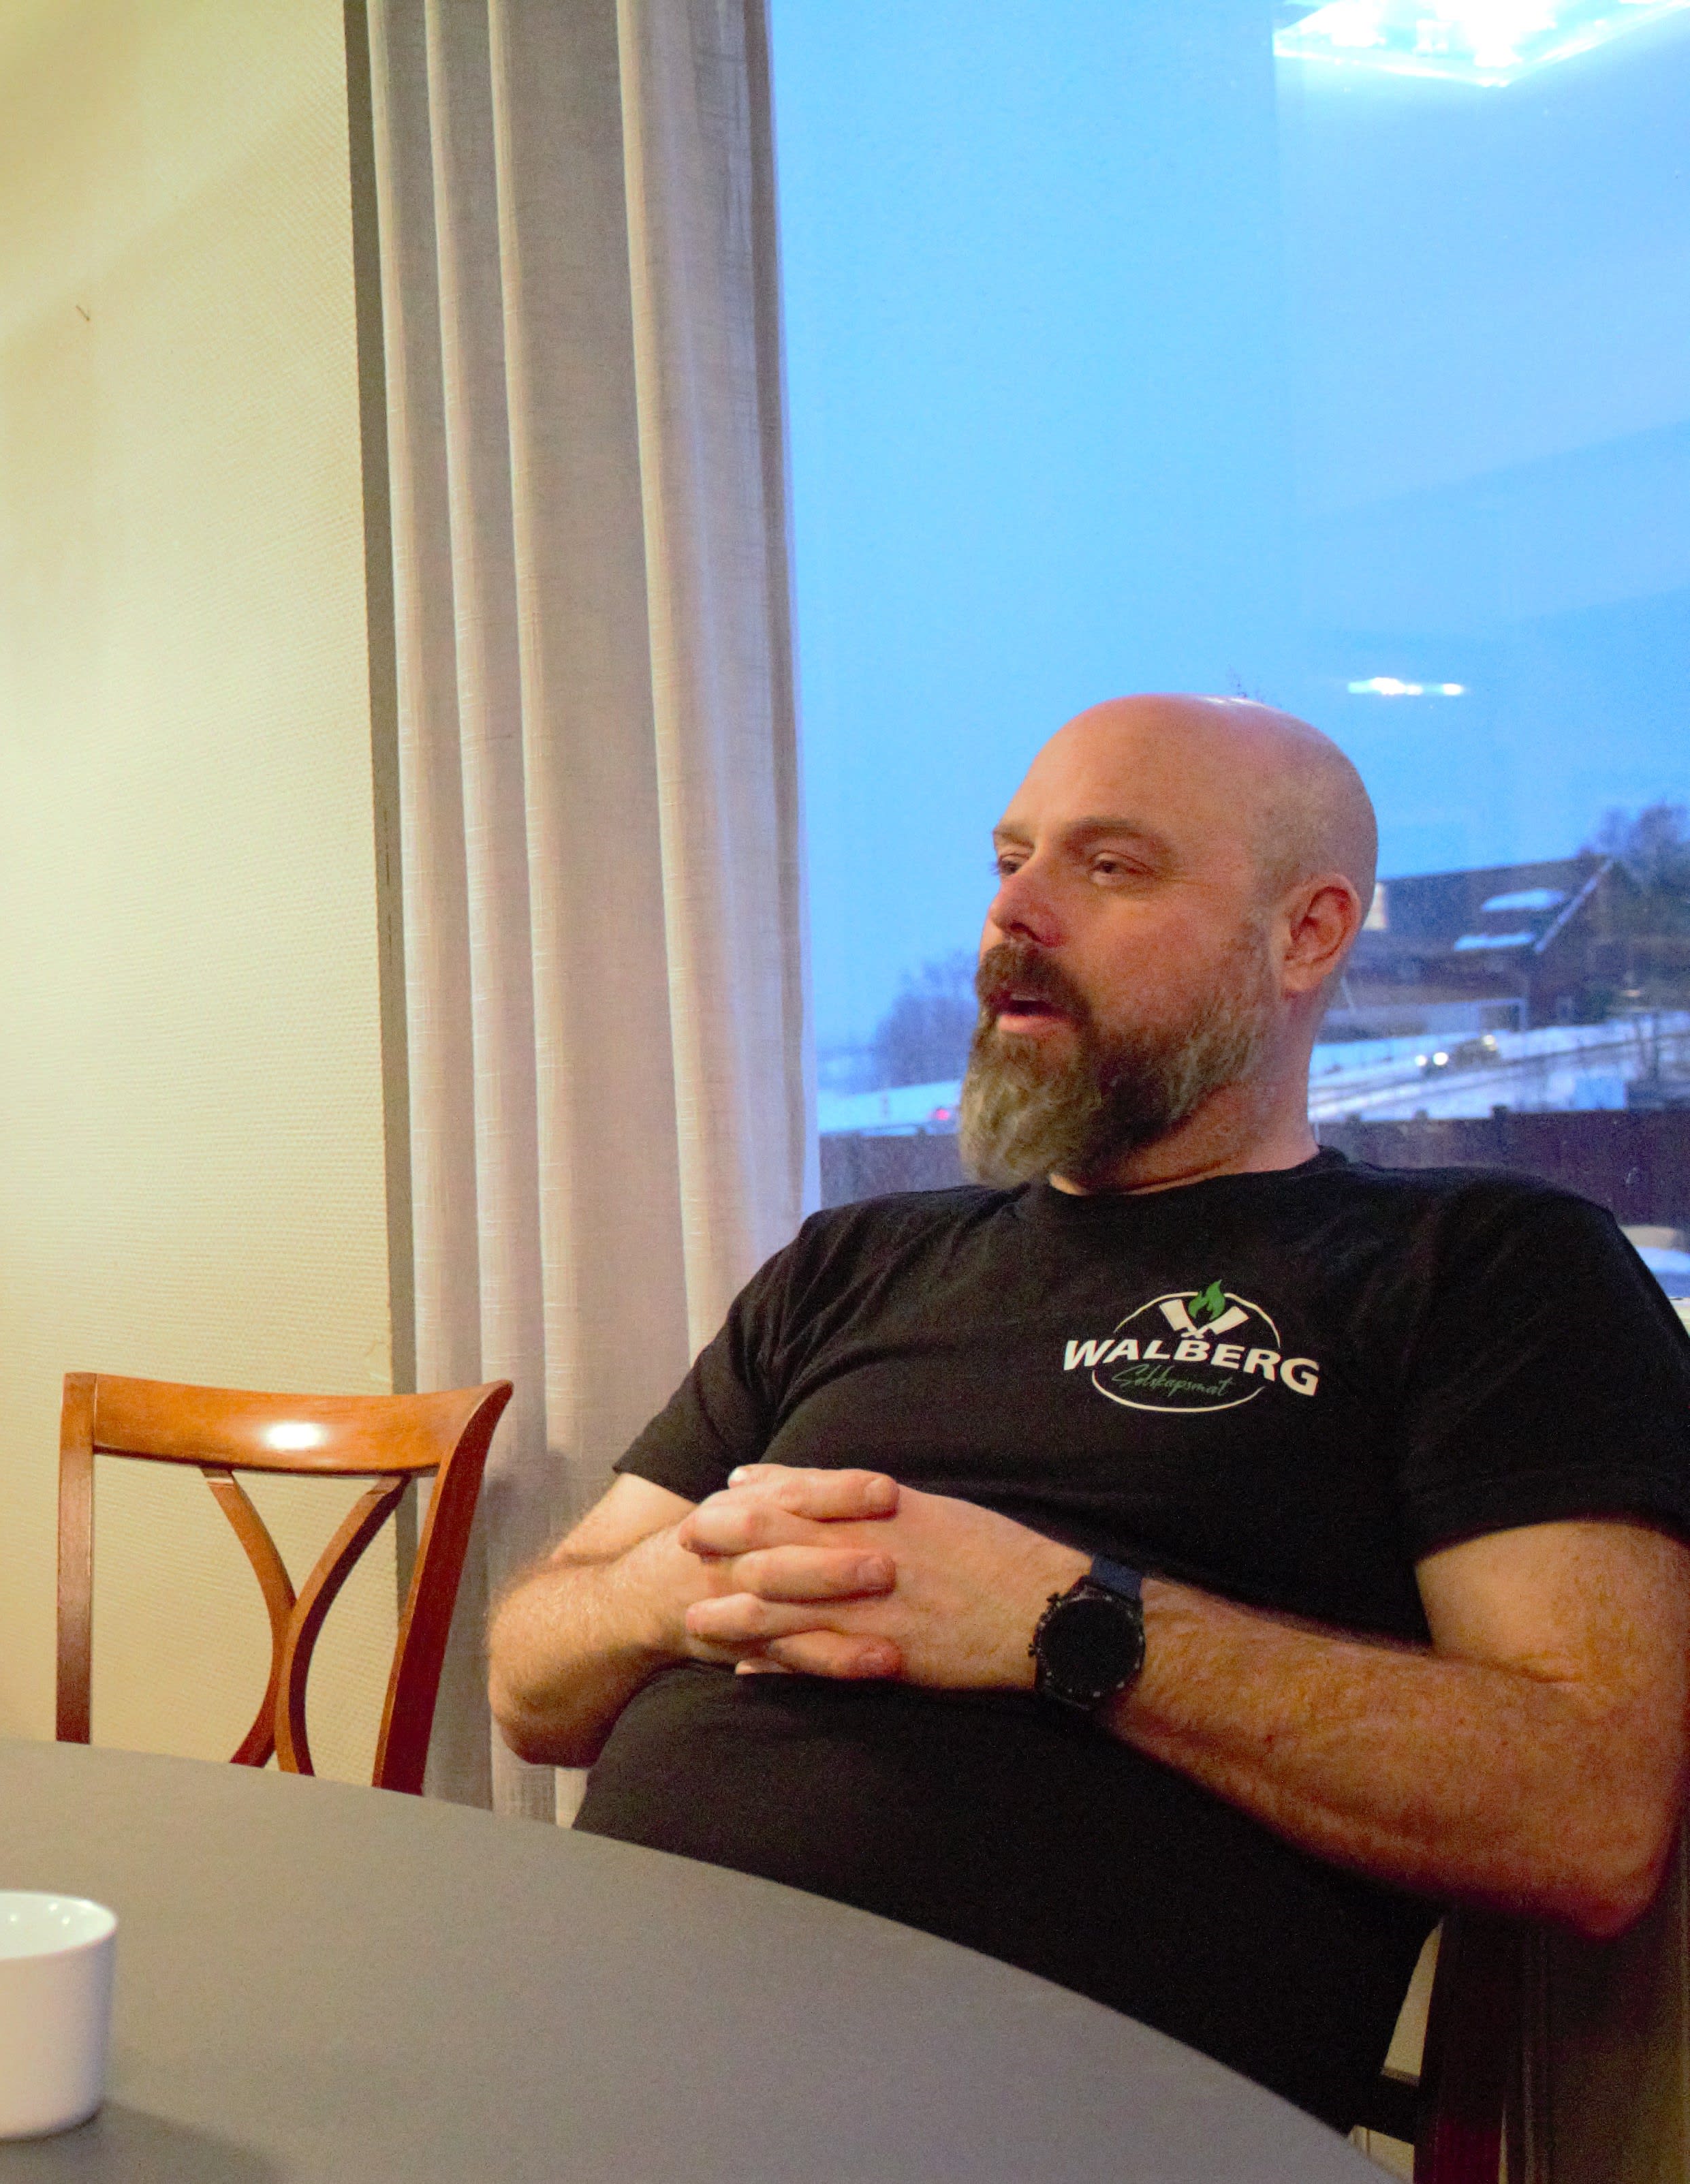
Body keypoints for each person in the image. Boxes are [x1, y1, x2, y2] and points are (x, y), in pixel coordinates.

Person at [486, 693, 1690, 2125]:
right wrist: (684, 1587)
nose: (1016, 913)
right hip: (598, 2049)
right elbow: (528, 1684)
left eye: (1109, 866)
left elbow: (1589, 1817)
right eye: (1010, 860)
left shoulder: (1483, 1266)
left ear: (1307, 934)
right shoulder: (852, 1263)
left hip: (1017, 2121)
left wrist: (1060, 1623)